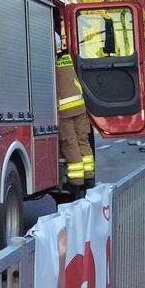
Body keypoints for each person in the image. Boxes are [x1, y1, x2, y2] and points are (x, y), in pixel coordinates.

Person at [55, 34, 94, 196]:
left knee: (70, 143)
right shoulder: (67, 58)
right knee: (82, 141)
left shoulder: (50, 62)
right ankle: (89, 178)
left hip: (64, 110)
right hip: (79, 107)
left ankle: (76, 184)